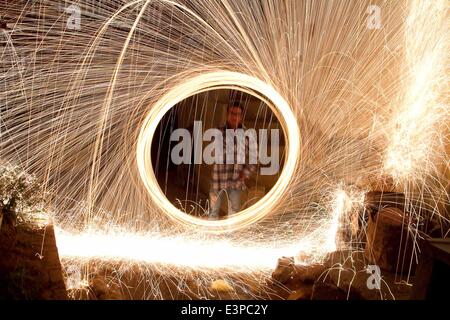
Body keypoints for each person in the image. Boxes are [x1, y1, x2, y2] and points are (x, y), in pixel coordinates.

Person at [208, 101, 257, 220]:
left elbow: (254, 157)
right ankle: (210, 236)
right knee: (213, 211)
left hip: (236, 181)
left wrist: (244, 174)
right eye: (232, 113)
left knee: (234, 212)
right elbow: (214, 153)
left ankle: (230, 237)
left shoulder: (248, 134)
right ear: (227, 114)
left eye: (238, 114)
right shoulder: (218, 131)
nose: (235, 117)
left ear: (242, 116)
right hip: (218, 179)